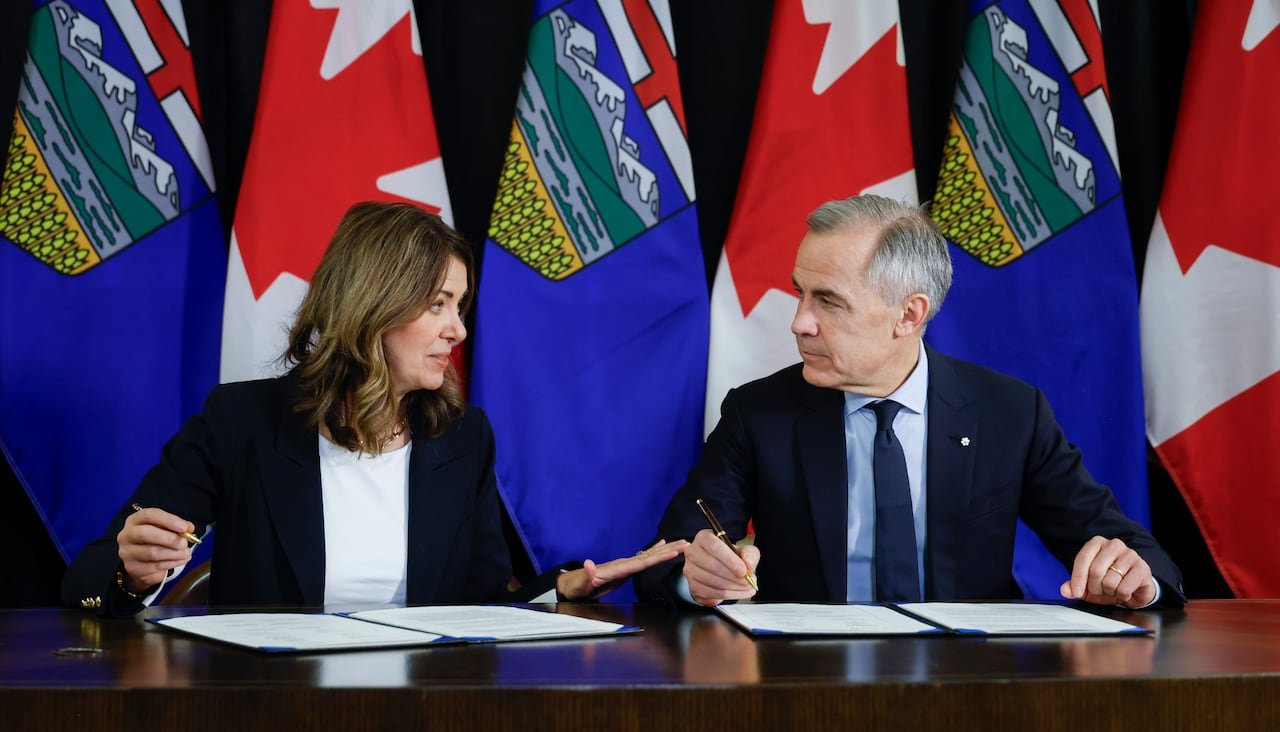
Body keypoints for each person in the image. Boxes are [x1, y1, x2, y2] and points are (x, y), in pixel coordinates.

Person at [63, 201, 684, 616]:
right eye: (438, 304)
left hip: (422, 707)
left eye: (460, 307)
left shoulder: (463, 437)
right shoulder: (241, 423)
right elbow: (84, 585)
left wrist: (561, 589)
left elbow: (483, 605)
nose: (458, 331)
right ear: (373, 305)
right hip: (268, 707)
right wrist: (135, 573)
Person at [637, 194, 1184, 610]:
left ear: (908, 315)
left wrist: (1136, 578)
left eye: (828, 302)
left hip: (969, 688)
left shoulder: (1009, 413)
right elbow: (668, 556)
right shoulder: (758, 413)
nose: (799, 322)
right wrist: (697, 575)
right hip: (804, 686)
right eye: (801, 292)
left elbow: (1132, 550)